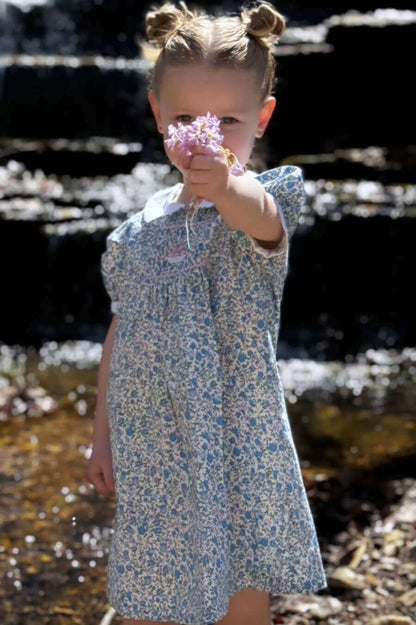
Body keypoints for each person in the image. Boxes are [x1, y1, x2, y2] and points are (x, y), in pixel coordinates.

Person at [87, 1, 328, 624]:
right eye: (188, 118)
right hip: (152, 442)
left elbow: (259, 217)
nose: (207, 137)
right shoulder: (136, 232)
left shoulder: (260, 203)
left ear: (263, 118)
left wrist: (225, 186)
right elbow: (124, 327)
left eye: (228, 120)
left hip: (232, 439)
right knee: (149, 581)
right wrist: (101, 434)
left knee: (238, 586)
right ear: (158, 114)